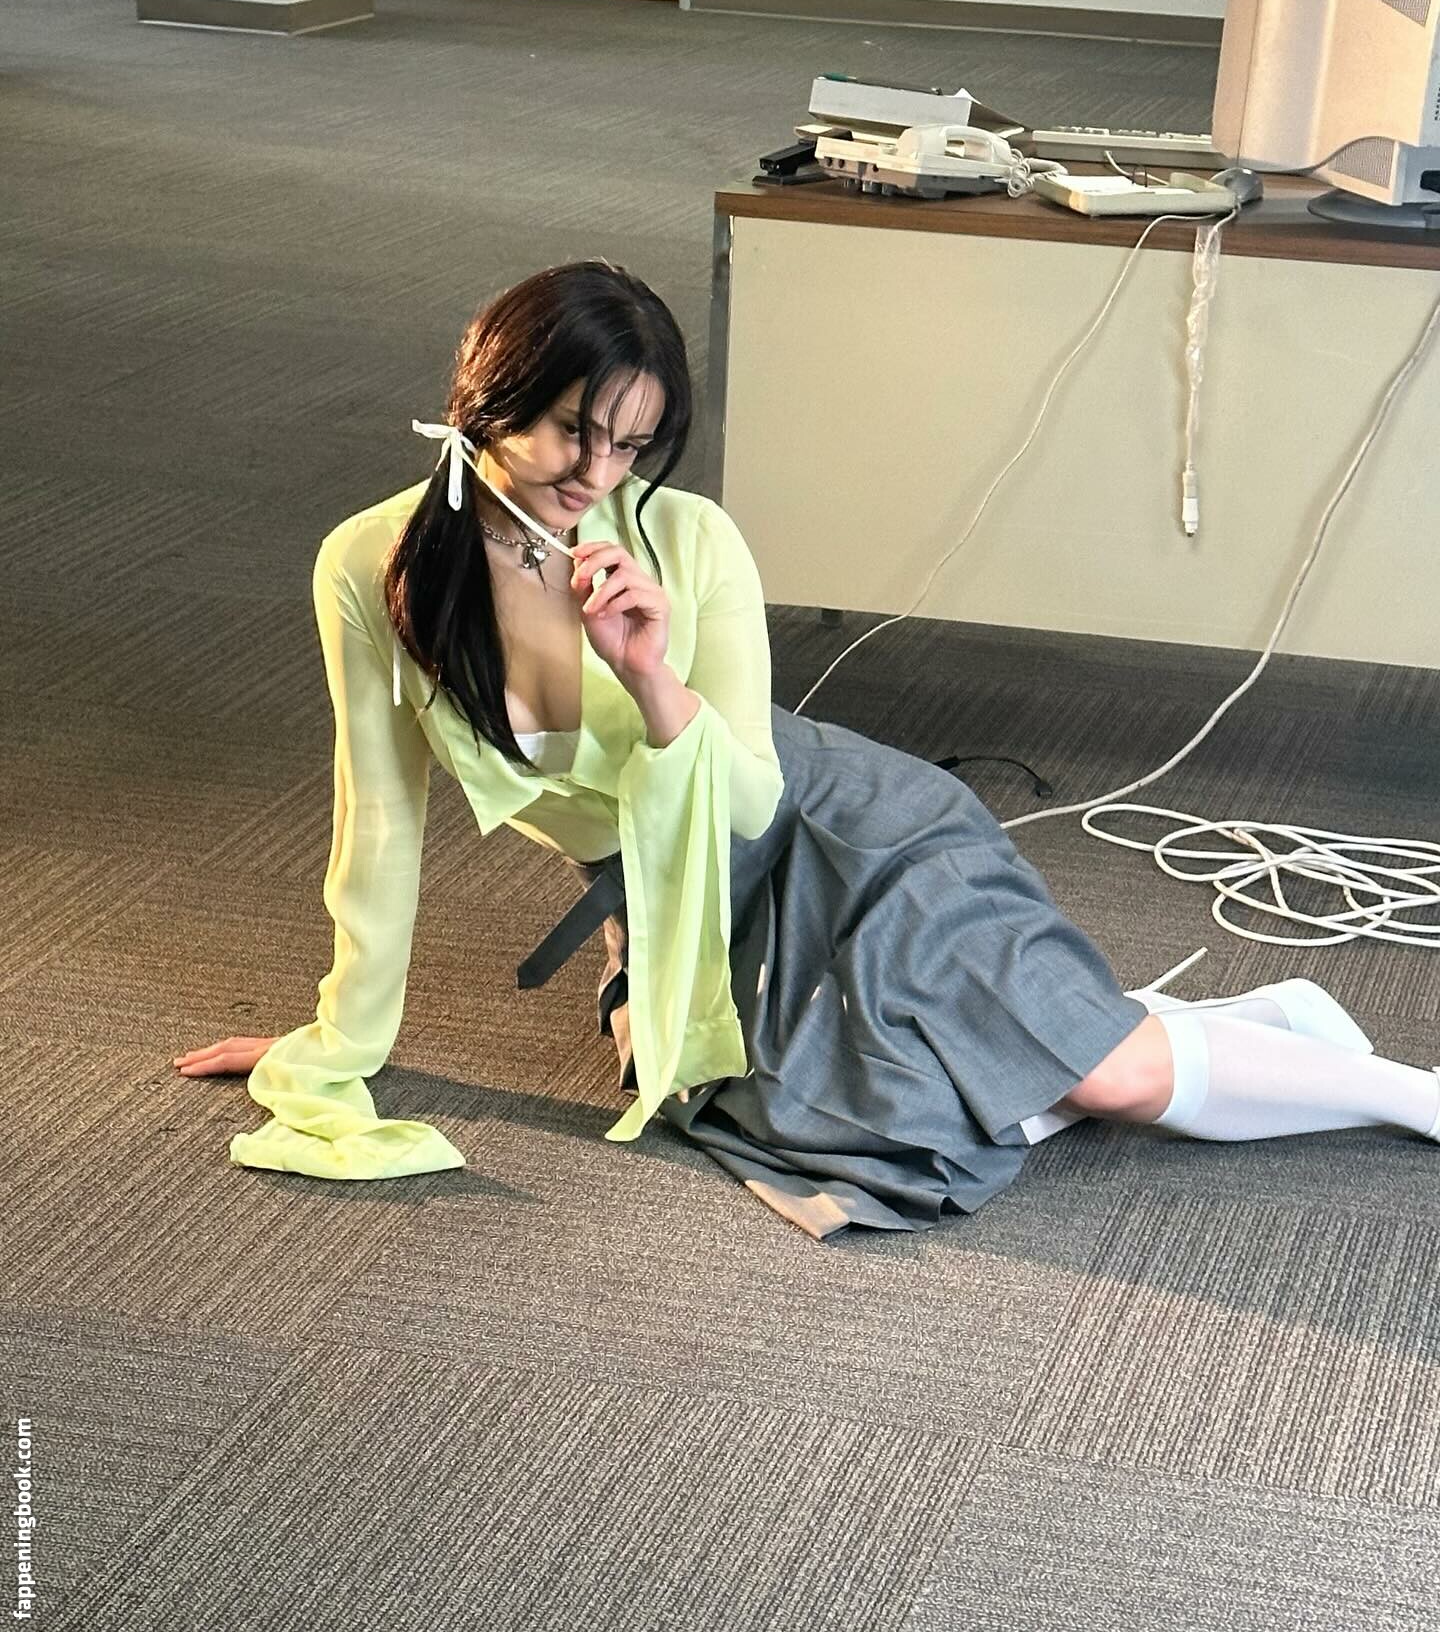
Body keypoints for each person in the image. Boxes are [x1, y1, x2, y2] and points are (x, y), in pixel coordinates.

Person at [173, 260, 1440, 1238]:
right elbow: (380, 826)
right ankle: (1214, 1028)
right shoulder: (370, 564)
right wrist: (336, 1046)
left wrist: (649, 676)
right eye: (570, 429)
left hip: (845, 833)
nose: (597, 471)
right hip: (673, 897)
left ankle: (1402, 1090)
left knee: (1104, 1084)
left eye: (631, 444)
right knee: (798, 1113)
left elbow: (745, 800)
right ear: (487, 394)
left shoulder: (692, 543)